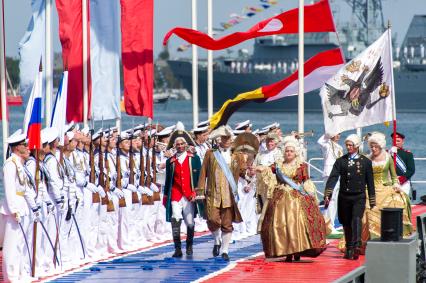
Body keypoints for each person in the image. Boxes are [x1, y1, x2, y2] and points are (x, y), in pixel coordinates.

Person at [260, 140, 326, 262]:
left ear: (295, 153)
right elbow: (267, 170)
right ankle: (286, 251)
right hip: (280, 198)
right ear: (284, 153)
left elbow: (305, 181)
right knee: (280, 225)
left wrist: (310, 194)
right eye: (287, 151)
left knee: (297, 224)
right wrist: (258, 168)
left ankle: (298, 250)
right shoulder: (278, 165)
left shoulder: (301, 166)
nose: (289, 153)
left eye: (291, 151)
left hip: (297, 198)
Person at [324, 134, 375, 260]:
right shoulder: (341, 161)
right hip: (344, 196)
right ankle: (349, 247)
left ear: (357, 146)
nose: (348, 147)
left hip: (359, 196)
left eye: (351, 145)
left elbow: (370, 181)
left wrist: (373, 200)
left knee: (356, 219)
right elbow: (333, 178)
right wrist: (328, 194)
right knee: (346, 222)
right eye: (347, 145)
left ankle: (356, 246)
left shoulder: (366, 162)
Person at [197, 125, 244, 261]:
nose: (227, 140)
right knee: (212, 220)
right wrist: (200, 190)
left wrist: (249, 173)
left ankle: (225, 250)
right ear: (220, 139)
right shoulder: (210, 153)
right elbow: (203, 172)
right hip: (213, 193)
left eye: (229, 138)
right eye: (224, 137)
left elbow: (241, 172)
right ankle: (217, 240)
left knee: (227, 223)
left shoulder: (236, 156)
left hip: (229, 195)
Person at [1, 130, 38, 282]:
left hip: (23, 207)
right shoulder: (10, 164)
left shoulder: (19, 164)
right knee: (12, 244)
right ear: (17, 148)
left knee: (22, 242)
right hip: (14, 208)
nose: (29, 147)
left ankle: (21, 273)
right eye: (25, 145)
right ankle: (11, 276)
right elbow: (10, 190)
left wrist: (34, 207)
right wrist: (14, 210)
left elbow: (26, 188)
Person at [163, 126, 201, 257]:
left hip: (189, 195)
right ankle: (177, 249)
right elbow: (168, 179)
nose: (180, 146)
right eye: (177, 144)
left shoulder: (194, 159)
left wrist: (197, 192)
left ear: (186, 145)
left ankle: (189, 246)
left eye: (182, 144)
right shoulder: (170, 161)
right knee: (176, 218)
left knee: (190, 221)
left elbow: (199, 177)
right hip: (176, 194)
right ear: (174, 146)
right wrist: (165, 195)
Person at [366, 132, 412, 238]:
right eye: (371, 146)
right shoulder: (367, 159)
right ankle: (371, 236)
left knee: (401, 199)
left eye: (375, 146)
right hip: (370, 189)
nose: (373, 149)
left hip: (385, 187)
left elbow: (394, 176)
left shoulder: (388, 157)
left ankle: (394, 232)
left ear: (380, 146)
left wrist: (396, 184)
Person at [317, 133, 343, 234]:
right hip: (329, 173)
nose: (337, 136)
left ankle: (331, 224)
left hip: (338, 174)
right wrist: (329, 132)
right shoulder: (327, 144)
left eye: (338, 134)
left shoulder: (339, 146)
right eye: (335, 134)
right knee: (329, 199)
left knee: (335, 200)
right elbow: (320, 141)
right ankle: (328, 225)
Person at [390, 132, 415, 198]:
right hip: (391, 181)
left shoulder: (408, 154)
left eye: (398, 141)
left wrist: (401, 180)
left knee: (404, 201)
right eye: (394, 141)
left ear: (402, 142)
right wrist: (390, 153)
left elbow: (411, 170)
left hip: (404, 182)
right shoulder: (388, 153)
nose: (396, 143)